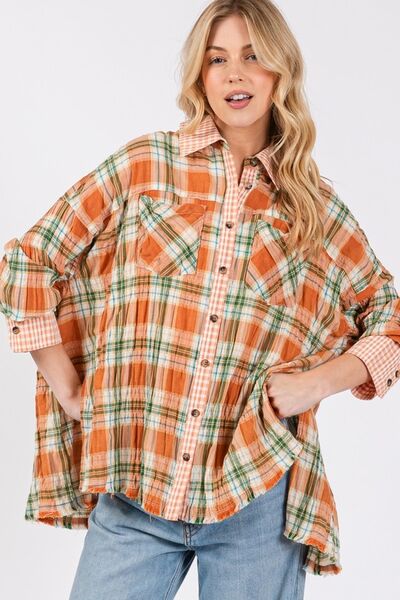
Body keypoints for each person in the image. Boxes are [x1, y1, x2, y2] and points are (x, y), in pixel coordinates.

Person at [1, 1, 400, 598]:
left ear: (281, 72)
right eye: (218, 59)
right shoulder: (146, 167)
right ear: (200, 75)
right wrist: (70, 389)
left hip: (256, 500)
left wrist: (316, 383)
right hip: (138, 488)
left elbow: (389, 315)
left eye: (253, 56)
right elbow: (30, 261)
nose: (235, 73)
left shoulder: (313, 207)